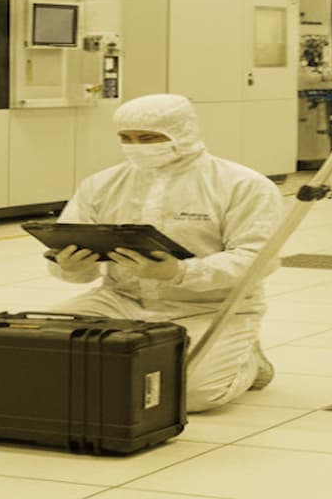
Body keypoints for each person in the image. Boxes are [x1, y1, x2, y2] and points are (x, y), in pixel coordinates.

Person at [45, 93, 285, 413]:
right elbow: (68, 252)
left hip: (211, 306)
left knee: (195, 395)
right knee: (40, 342)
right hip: (120, 300)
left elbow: (258, 259)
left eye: (148, 138)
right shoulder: (101, 184)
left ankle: (250, 361)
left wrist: (181, 273)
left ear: (182, 133)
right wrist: (71, 266)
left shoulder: (243, 185)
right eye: (126, 138)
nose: (136, 146)